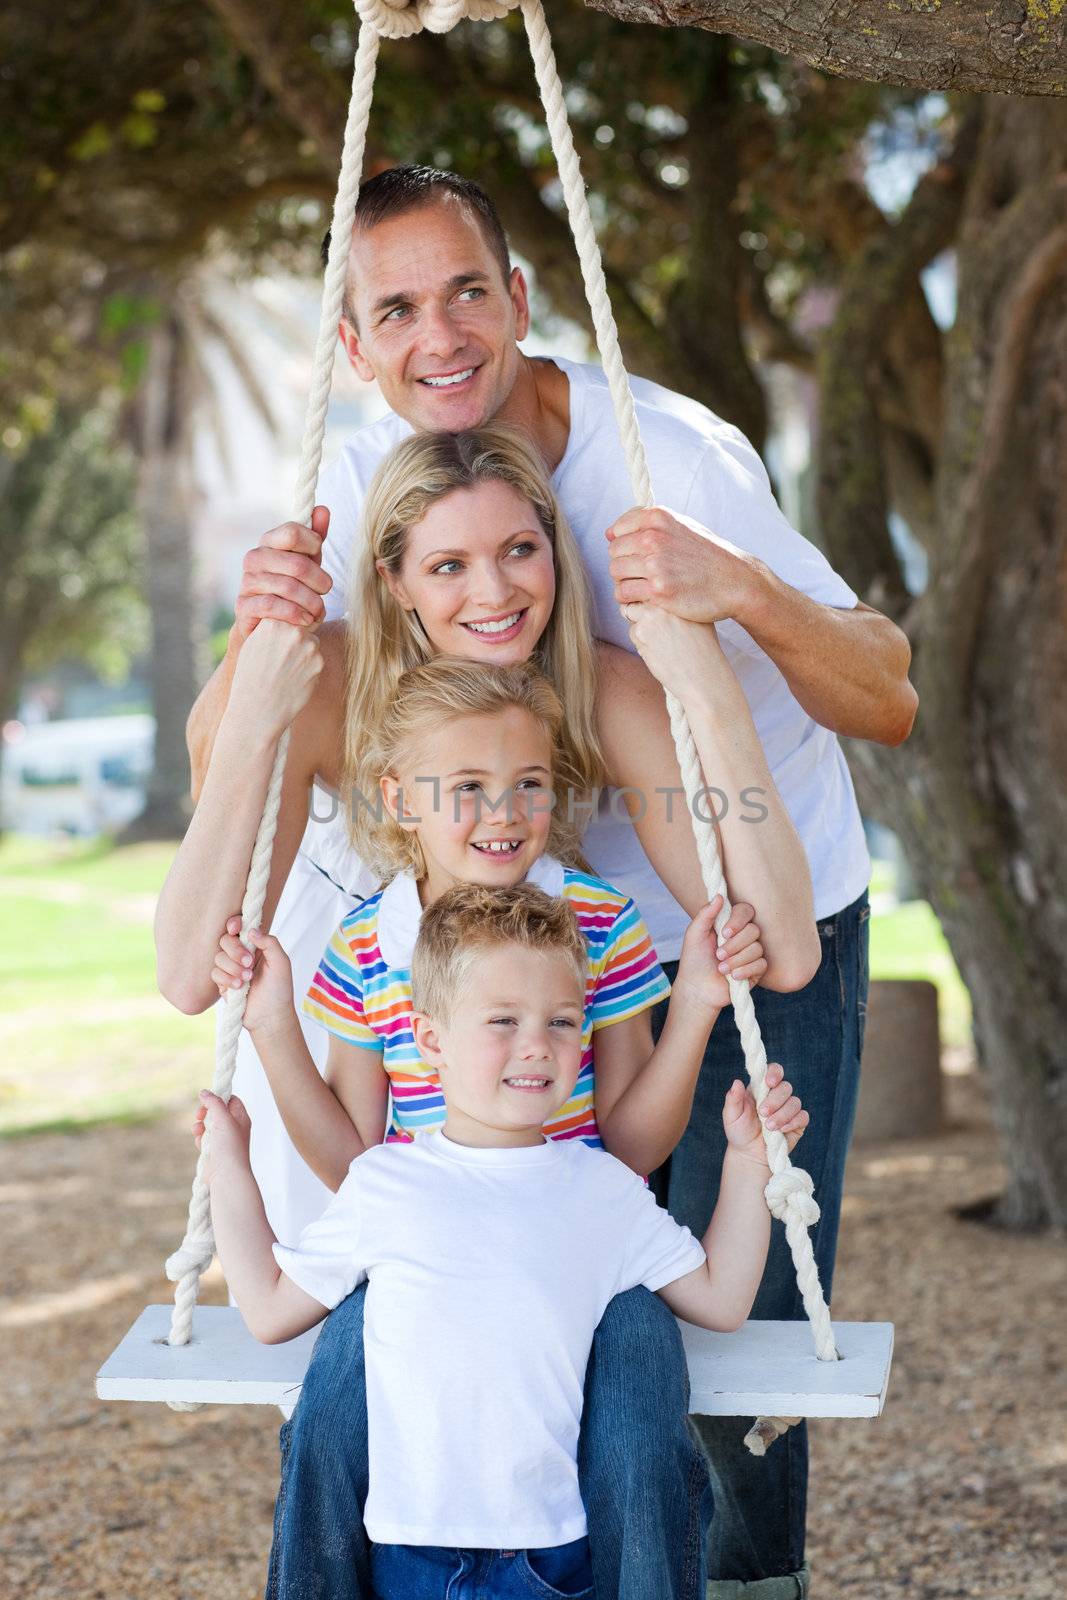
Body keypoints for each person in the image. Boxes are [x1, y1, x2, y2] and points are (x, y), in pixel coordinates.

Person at [179, 166, 917, 1596]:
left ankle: (741, 1582)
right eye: (394, 308)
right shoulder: (357, 496)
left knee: (737, 1329)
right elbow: (241, 761)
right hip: (507, 931)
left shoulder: (669, 464)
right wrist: (251, 650)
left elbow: (882, 695)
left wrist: (729, 599)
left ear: (520, 301)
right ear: (353, 347)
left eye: (466, 290)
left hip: (741, 903)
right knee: (483, 1318)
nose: (438, 334)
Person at [197, 880, 811, 1600]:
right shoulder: (384, 1184)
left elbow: (721, 1298)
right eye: (501, 1021)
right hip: (406, 1557)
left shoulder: (600, 1189)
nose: (536, 1046)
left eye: (560, 1022)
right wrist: (229, 1165)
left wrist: (747, 1166)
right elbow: (269, 1310)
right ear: (430, 1042)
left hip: (549, 1560)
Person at [204, 658, 769, 1189]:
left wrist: (695, 1002)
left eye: (529, 783)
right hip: (433, 1245)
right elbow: (352, 1166)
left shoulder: (602, 923)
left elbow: (632, 1149)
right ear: (400, 801)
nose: (504, 813)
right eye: (468, 787)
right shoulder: (366, 947)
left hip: (578, 1239)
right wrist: (273, 1028)